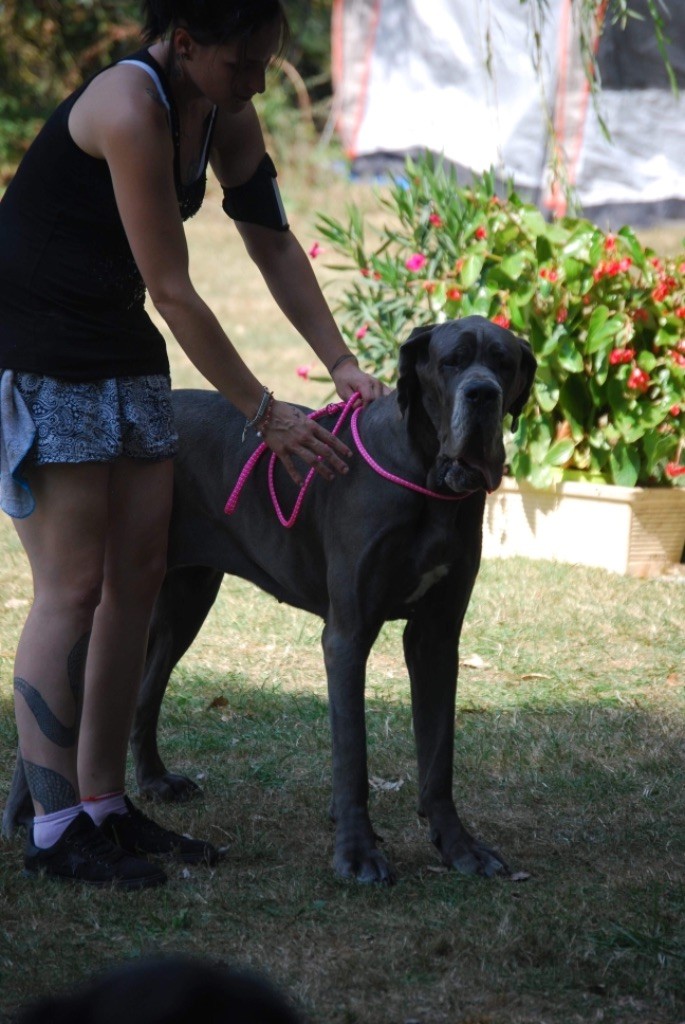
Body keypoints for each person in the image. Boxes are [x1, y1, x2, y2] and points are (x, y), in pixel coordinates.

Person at [0, 0, 386, 888]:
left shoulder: (223, 114)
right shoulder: (130, 107)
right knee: (75, 584)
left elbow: (272, 241)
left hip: (116, 342)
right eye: (239, 66)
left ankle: (103, 806)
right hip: (41, 352)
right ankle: (56, 830)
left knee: (138, 576)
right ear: (183, 43)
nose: (254, 84)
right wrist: (262, 411)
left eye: (263, 66)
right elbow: (174, 290)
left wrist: (339, 363)